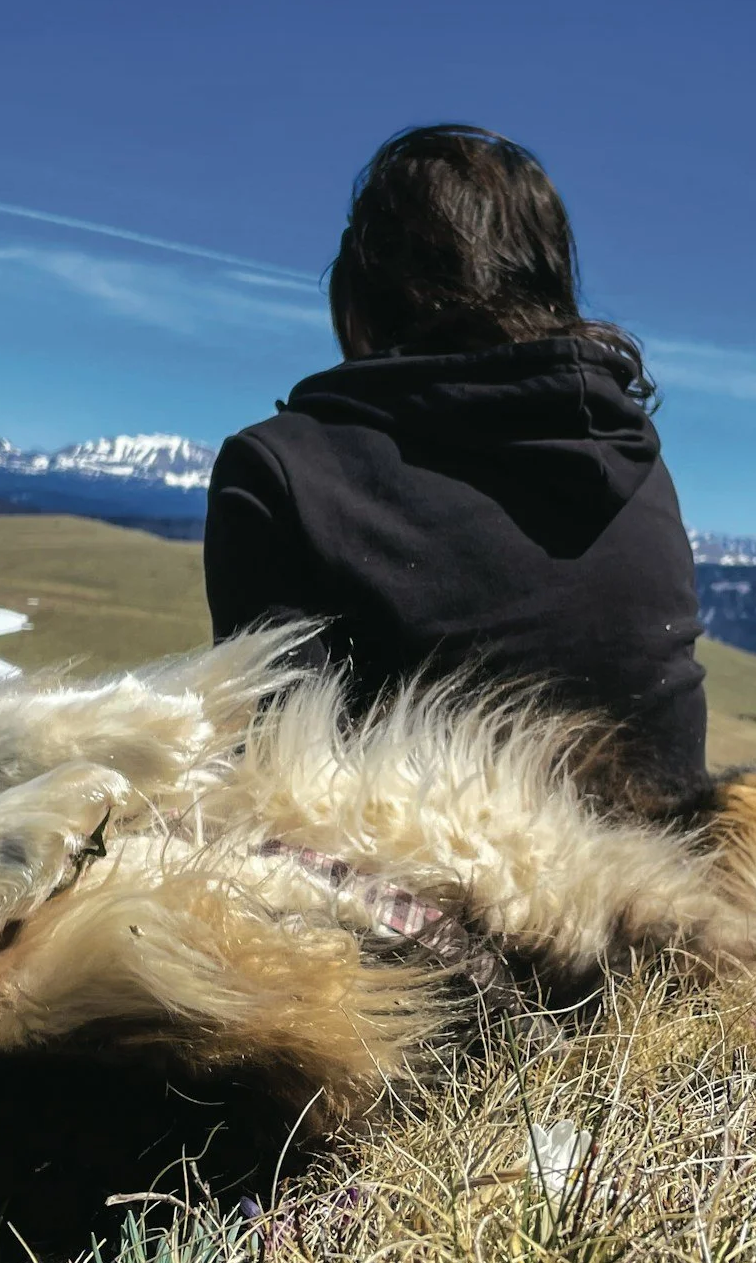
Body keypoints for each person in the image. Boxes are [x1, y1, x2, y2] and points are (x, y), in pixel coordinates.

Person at [203, 124, 707, 813]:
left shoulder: (283, 472)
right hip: (664, 899)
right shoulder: (637, 462)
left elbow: (277, 792)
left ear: (364, 287)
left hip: (419, 904)